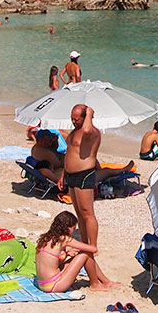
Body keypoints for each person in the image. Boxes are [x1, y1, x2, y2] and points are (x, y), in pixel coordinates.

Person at [59, 105, 117, 291]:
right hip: (71, 175)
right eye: (72, 118)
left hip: (84, 174)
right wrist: (63, 175)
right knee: (79, 215)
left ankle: (92, 244)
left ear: (86, 118)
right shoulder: (74, 132)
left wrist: (90, 114)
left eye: (77, 118)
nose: (73, 121)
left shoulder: (92, 133)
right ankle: (87, 244)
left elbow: (86, 130)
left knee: (87, 212)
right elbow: (70, 152)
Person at [35, 211, 106, 292]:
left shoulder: (46, 238)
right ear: (68, 228)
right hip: (53, 285)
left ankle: (105, 281)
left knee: (82, 254)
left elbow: (50, 262)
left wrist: (67, 253)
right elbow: (93, 249)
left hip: (42, 284)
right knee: (86, 253)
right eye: (73, 228)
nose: (73, 231)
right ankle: (95, 284)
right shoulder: (64, 239)